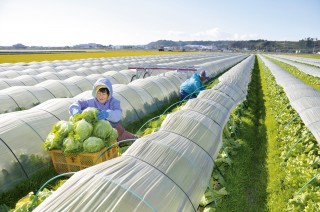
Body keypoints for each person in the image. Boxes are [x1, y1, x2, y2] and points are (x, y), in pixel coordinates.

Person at [69, 77, 137, 142]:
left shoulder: (114, 102)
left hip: (115, 129)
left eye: (104, 94)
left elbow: (118, 114)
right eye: (99, 93)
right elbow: (76, 104)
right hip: (97, 131)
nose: (101, 96)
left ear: (108, 94)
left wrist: (108, 114)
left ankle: (137, 139)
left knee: (130, 139)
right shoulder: (91, 101)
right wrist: (75, 111)